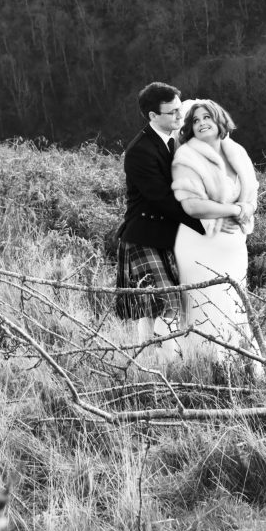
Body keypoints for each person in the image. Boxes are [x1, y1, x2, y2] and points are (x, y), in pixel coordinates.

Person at [171, 99, 266, 386]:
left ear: (220, 121)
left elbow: (250, 197)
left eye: (208, 117)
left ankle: (238, 365)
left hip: (233, 245)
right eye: (195, 120)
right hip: (198, 245)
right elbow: (192, 206)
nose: (202, 122)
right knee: (205, 306)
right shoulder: (186, 158)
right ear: (189, 128)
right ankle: (206, 370)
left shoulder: (236, 153)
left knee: (234, 308)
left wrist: (244, 211)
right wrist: (233, 211)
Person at [115, 82, 210, 346]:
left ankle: (159, 359)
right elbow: (162, 199)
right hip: (143, 237)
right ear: (153, 116)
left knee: (167, 306)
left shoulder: (174, 142)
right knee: (165, 303)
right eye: (173, 113)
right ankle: (157, 363)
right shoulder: (140, 151)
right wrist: (203, 224)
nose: (180, 117)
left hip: (168, 237)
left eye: (180, 109)